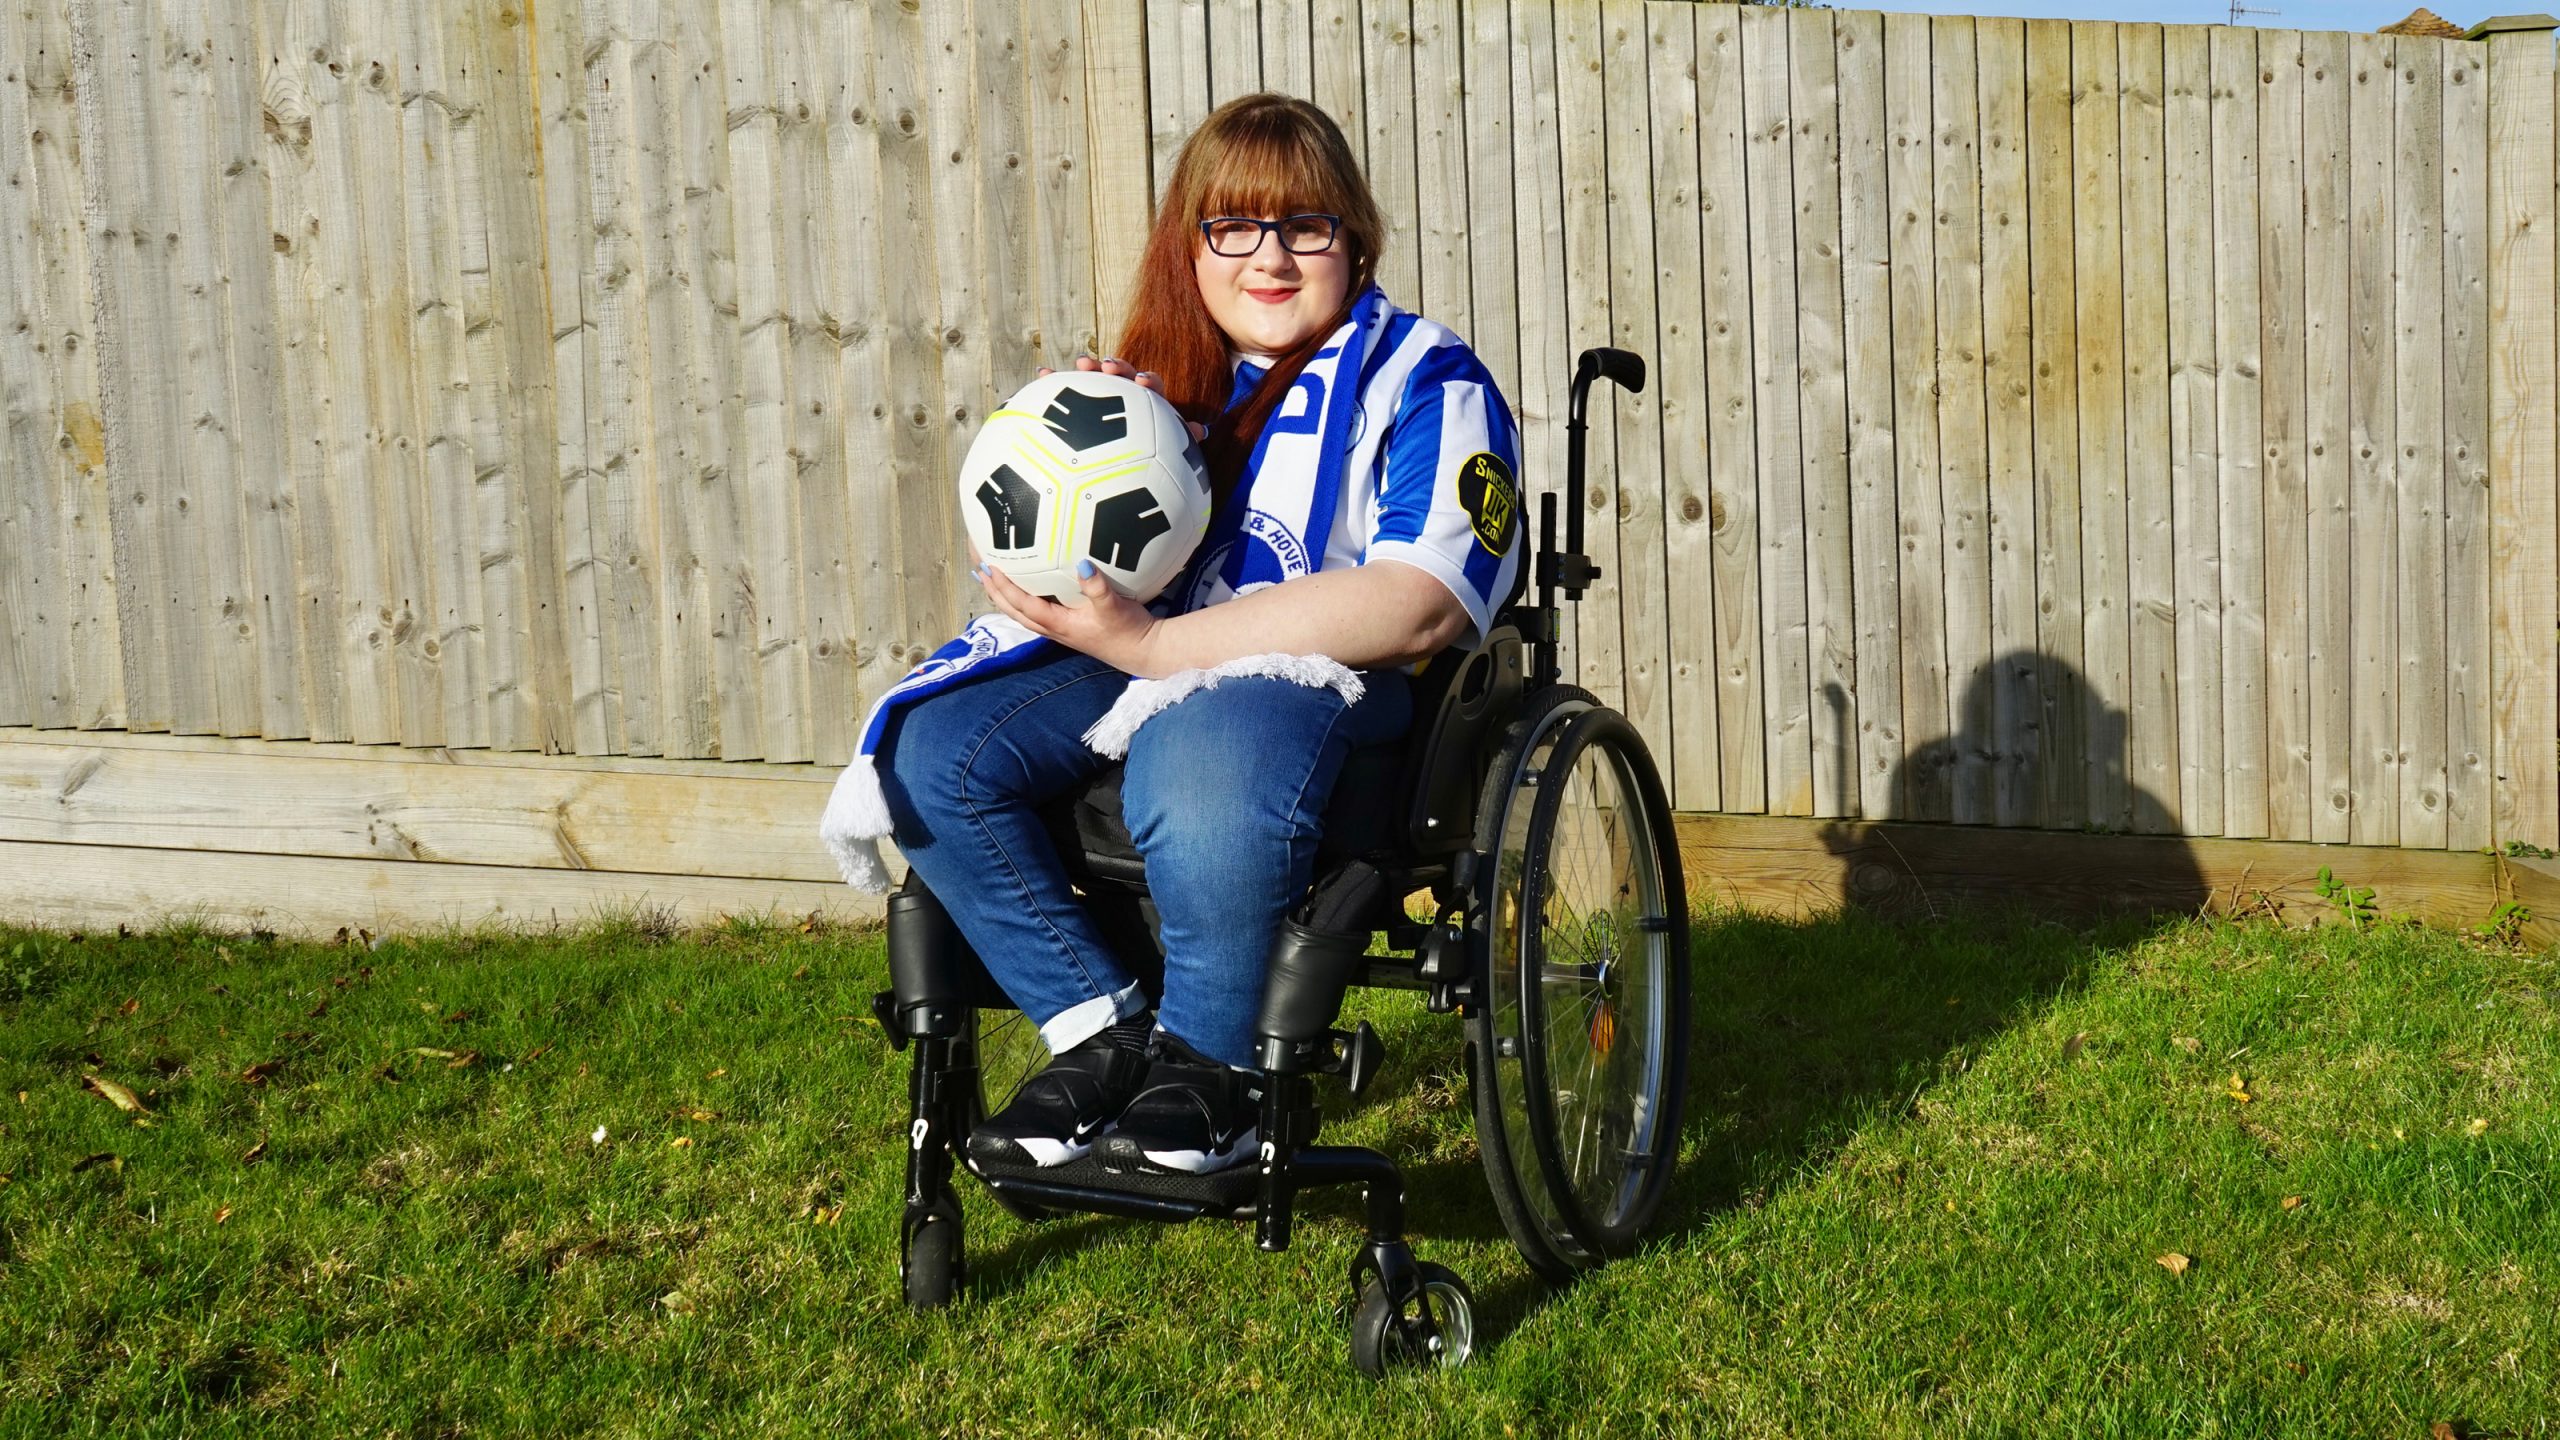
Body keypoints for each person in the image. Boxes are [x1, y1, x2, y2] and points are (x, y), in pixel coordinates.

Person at [824, 93, 1522, 1177]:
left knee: (1201, 749)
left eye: (1305, 226)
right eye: (1232, 227)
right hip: (1141, 651)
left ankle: (1212, 1065)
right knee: (929, 755)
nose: (1270, 259)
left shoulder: (1425, 379)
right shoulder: (1164, 389)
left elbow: (1422, 599)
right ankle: (1101, 1031)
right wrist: (1089, 456)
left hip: (1330, 678)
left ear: (1355, 237)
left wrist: (1157, 652)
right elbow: (1105, 560)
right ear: (1189, 244)